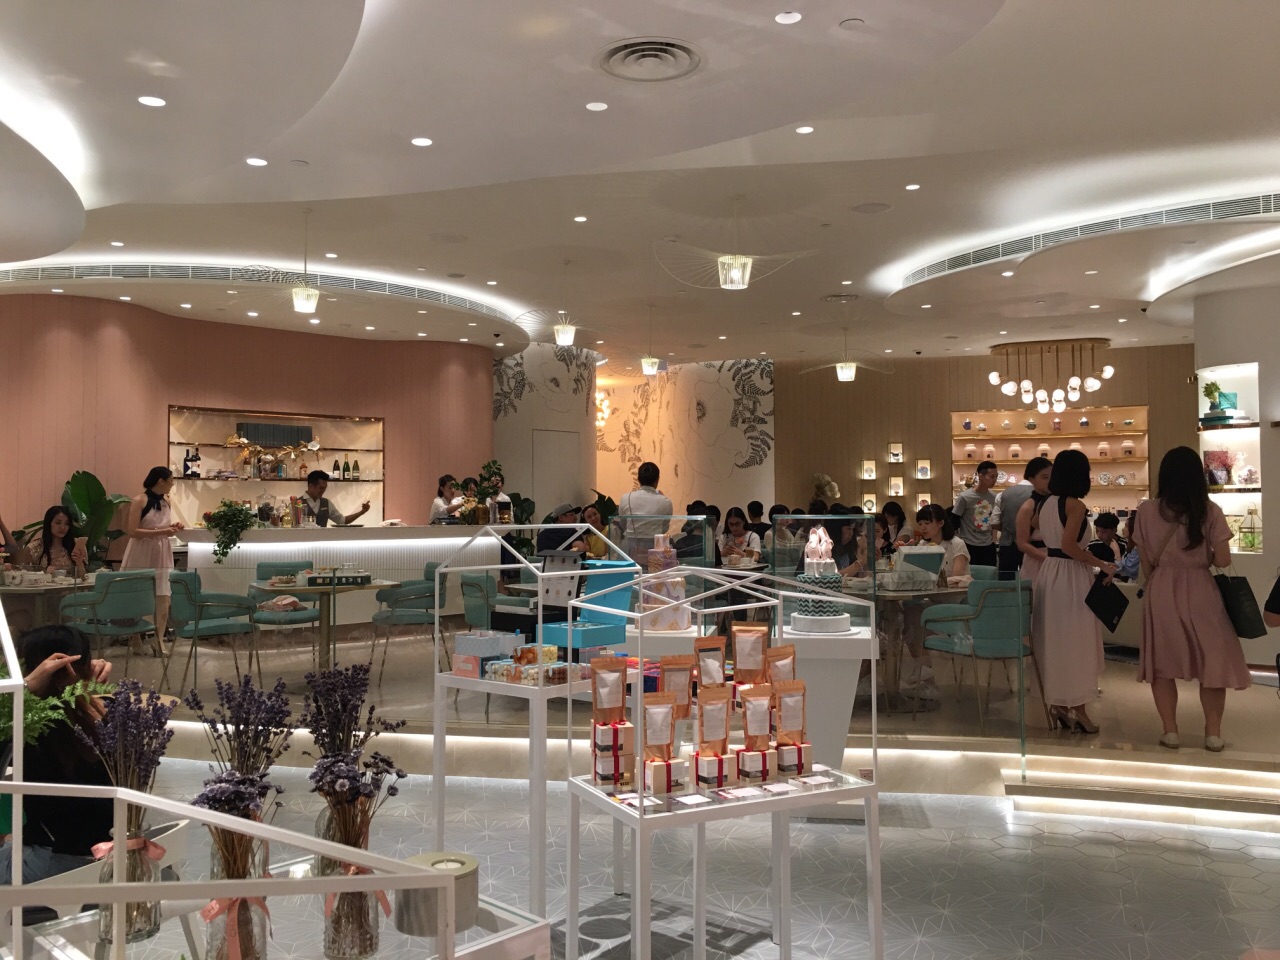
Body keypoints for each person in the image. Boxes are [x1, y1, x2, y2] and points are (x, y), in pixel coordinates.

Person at [1133, 446, 1250, 752]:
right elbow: (1223, 560)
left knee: (1162, 663)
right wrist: (1200, 556)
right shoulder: (1210, 511)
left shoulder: (1146, 511)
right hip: (1200, 589)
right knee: (1212, 660)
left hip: (1161, 589)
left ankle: (1170, 731)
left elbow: (1145, 562)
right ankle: (1213, 733)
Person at [0, 626, 113, 885]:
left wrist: (23, 689)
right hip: (109, 862)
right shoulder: (108, 716)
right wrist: (84, 682)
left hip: (53, 867)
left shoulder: (29, 731)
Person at [1031, 450, 1116, 735]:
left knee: (1055, 640)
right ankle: (1078, 709)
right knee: (1077, 641)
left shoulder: (1045, 503)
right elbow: (1069, 546)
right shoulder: (1075, 505)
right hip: (1070, 575)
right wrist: (1101, 564)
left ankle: (1059, 705)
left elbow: (1042, 531)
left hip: (1050, 573)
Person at [121, 466, 183, 656]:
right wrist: (162, 531)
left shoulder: (166, 501)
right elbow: (132, 531)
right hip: (142, 550)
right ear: (160, 481)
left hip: (161, 551)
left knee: (163, 596)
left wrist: (172, 527)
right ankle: (135, 638)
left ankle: (159, 640)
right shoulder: (139, 500)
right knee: (138, 594)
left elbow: (162, 525)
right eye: (171, 480)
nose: (172, 484)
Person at [993, 458, 1046, 579]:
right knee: (1030, 582)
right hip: (1034, 547)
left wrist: (1008, 529)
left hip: (1007, 544)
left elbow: (994, 522)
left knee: (1006, 582)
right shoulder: (1042, 496)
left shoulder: (1003, 493)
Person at [617, 462, 673, 560]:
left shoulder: (625, 498)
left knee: (630, 570)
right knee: (653, 570)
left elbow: (623, 524)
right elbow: (664, 528)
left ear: (638, 478)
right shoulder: (666, 501)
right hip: (655, 548)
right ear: (657, 480)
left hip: (629, 547)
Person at [951, 461, 998, 569]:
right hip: (969, 545)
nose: (994, 480)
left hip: (988, 545)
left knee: (989, 574)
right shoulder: (965, 497)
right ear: (981, 476)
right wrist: (959, 542)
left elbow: (994, 520)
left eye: (996, 476)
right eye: (991, 476)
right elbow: (954, 521)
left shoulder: (994, 497)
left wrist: (993, 540)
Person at [1013, 458, 1054, 583]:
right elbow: (1022, 544)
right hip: (1037, 562)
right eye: (1045, 477)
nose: (1050, 481)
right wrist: (1049, 559)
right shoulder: (1028, 507)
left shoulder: (1057, 502)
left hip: (1058, 560)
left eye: (1052, 476)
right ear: (1032, 479)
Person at [20, 506, 88, 576]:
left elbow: (84, 578)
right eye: (58, 523)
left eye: (67, 524)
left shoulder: (76, 545)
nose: (63, 527)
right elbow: (26, 576)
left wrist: (79, 563)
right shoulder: (33, 548)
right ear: (49, 523)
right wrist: (45, 574)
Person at [303, 470, 370, 527]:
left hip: (324, 538)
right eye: (321, 488)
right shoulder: (298, 503)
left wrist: (362, 512)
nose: (323, 491)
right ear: (311, 486)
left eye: (325, 488)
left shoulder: (326, 503)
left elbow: (342, 521)